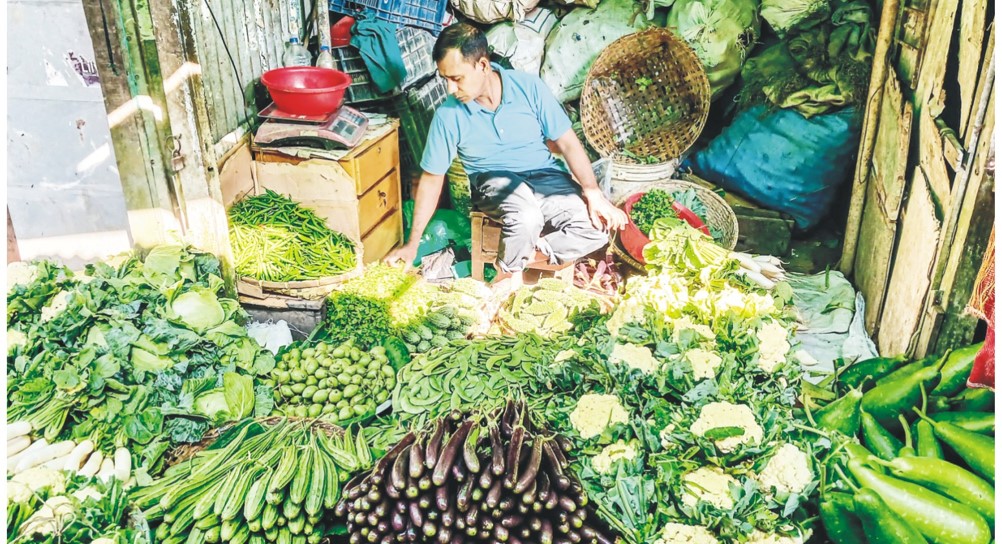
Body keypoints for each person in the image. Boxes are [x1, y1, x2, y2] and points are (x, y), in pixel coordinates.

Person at [384, 23, 627, 292]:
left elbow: (568, 143)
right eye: (445, 80)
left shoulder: (529, 87)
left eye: (457, 79)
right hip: (494, 183)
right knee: (526, 216)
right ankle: (507, 276)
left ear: (483, 66)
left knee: (598, 228)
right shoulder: (448, 115)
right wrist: (412, 243)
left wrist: (593, 193)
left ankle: (523, 259)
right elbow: (431, 180)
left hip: (545, 176)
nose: (451, 90)